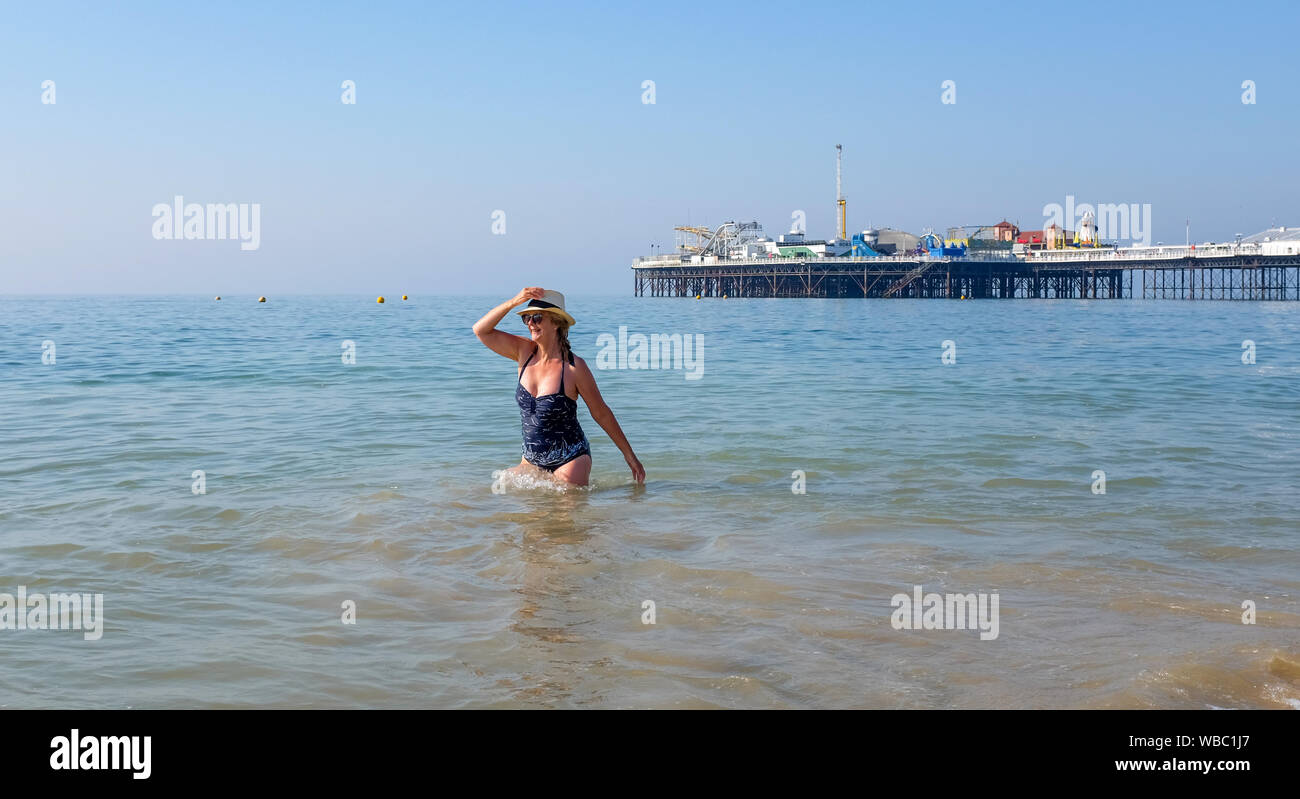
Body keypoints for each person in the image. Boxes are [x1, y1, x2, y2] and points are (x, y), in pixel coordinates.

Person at [473, 288, 645, 487]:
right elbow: (480, 330)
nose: (530, 323)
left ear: (556, 322)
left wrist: (629, 456)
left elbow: (601, 413)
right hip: (531, 461)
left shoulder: (574, 368)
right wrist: (513, 302)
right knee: (501, 488)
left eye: (537, 318)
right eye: (526, 318)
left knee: (566, 505)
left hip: (571, 458)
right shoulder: (523, 352)